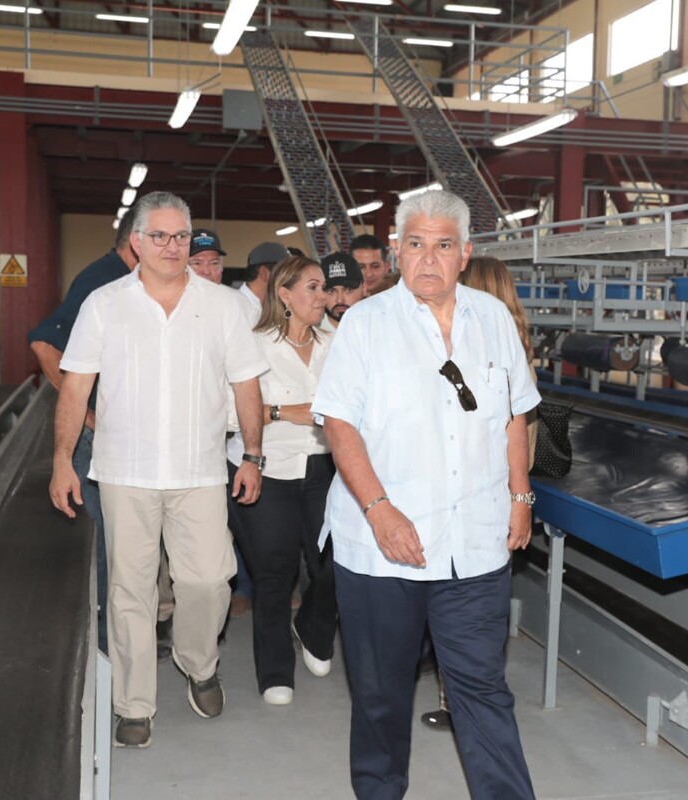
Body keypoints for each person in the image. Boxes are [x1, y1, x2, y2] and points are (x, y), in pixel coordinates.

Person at [313, 190, 540, 799]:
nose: (429, 258)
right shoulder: (365, 324)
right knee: (382, 695)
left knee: (483, 690)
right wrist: (379, 509)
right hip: (383, 549)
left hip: (475, 544)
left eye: (443, 245)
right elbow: (339, 425)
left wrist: (522, 497)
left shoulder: (493, 320)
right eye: (415, 244)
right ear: (395, 252)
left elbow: (514, 415)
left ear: (465, 253)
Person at [49, 191, 268, 749]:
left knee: (208, 580)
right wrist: (61, 462)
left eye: (181, 236)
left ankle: (199, 664)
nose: (173, 246)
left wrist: (252, 454)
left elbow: (247, 384)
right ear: (137, 243)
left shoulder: (222, 306)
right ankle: (134, 703)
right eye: (161, 236)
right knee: (130, 591)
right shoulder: (104, 303)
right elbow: (74, 386)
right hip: (125, 471)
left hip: (199, 471)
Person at [422, 254, 540, 731]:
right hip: (504, 490)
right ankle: (468, 695)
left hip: (471, 488)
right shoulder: (519, 341)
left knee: (456, 603)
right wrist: (522, 498)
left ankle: (456, 698)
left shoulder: (476, 340)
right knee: (481, 608)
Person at [226, 255, 339, 706]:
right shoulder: (254, 343)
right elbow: (232, 411)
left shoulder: (337, 341)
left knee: (334, 563)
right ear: (285, 294)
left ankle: (311, 626)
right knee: (274, 570)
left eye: (325, 288)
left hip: (325, 465)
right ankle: (275, 669)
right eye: (313, 287)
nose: (323, 297)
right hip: (265, 465)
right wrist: (282, 412)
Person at [28, 207, 138, 653]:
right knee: (111, 547)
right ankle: (108, 647)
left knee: (126, 545)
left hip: (129, 440)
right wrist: (87, 414)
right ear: (137, 242)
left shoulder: (133, 283)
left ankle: (122, 639)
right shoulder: (103, 280)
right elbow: (43, 341)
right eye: (162, 240)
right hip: (100, 444)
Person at [188, 228, 256, 621]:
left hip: (229, 435)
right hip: (191, 439)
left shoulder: (237, 306)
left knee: (235, 516)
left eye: (214, 263)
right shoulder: (169, 310)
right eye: (198, 263)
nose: (208, 271)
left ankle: (242, 586)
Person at [240, 242, 291, 322]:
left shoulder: (274, 308)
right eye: (286, 273)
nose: (290, 279)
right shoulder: (235, 307)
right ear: (264, 273)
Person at [320, 250, 366, 332]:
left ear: (364, 288)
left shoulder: (380, 327)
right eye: (330, 291)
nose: (340, 300)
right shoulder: (311, 339)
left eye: (348, 290)